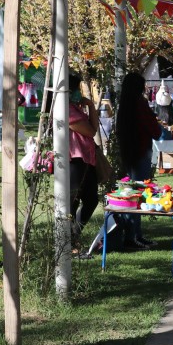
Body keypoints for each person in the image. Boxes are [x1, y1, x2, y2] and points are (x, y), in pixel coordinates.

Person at [116, 72, 162, 249]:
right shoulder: (139, 104)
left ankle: (135, 235)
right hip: (140, 151)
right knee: (137, 195)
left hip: (129, 152)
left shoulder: (124, 104)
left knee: (132, 193)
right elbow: (154, 130)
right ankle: (132, 237)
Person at [68, 72, 101, 247]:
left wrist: (91, 106)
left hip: (87, 159)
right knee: (72, 201)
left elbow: (94, 128)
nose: (77, 92)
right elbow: (89, 131)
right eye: (75, 88)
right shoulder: (65, 110)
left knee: (91, 199)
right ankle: (69, 241)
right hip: (74, 159)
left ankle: (74, 235)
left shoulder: (75, 107)